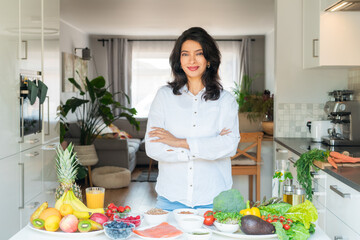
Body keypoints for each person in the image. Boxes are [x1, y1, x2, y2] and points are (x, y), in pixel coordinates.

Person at [145, 27, 240, 211]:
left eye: (199, 54)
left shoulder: (225, 100)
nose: (192, 60)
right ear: (179, 61)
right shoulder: (164, 96)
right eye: (185, 54)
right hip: (170, 199)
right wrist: (204, 149)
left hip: (214, 200)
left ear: (209, 60)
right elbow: (153, 146)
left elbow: (229, 146)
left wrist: (178, 142)